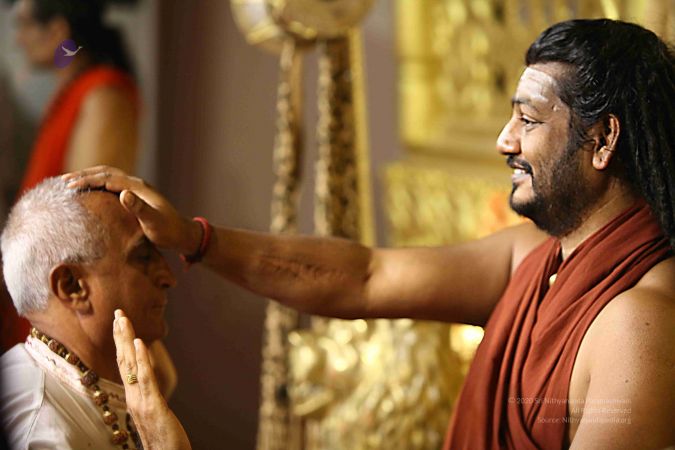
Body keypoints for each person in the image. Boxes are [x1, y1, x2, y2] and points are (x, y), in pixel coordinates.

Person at [68, 18, 675, 450]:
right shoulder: (533, 258)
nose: (504, 140)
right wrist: (192, 237)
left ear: (602, 140)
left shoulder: (638, 327)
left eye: (529, 119)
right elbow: (362, 277)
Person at [2, 0, 140, 352]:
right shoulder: (71, 89)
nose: (18, 39)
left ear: (58, 31)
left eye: (24, 25)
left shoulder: (102, 93)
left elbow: (86, 215)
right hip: (40, 291)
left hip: (62, 306)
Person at [0, 177, 177, 449]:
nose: (168, 278)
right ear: (72, 286)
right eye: (143, 256)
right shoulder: (39, 431)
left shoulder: (114, 381)